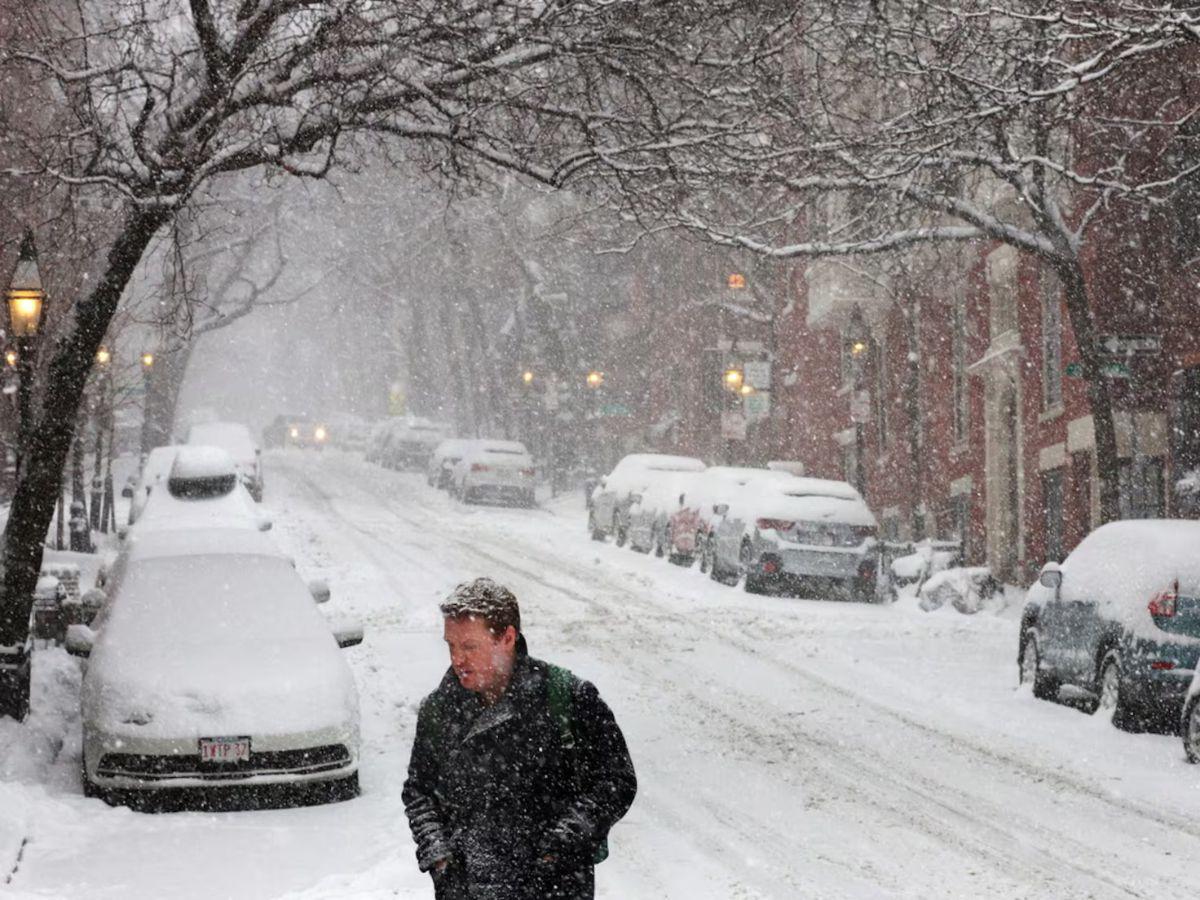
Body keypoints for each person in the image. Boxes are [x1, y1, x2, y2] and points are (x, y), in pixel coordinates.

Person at [403, 577, 636, 900]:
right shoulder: (440, 710)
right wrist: (440, 859)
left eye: (470, 646)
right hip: (467, 889)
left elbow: (616, 781)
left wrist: (563, 843)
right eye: (451, 645)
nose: (458, 659)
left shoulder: (567, 698)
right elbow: (419, 792)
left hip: (554, 887)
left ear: (507, 638)